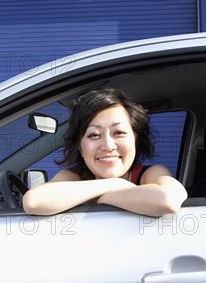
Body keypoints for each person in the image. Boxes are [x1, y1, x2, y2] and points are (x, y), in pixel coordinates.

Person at [22, 88, 187, 216]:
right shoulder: (74, 177)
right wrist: (115, 184)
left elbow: (168, 200)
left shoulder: (150, 174)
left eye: (119, 133)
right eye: (94, 135)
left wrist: (97, 196)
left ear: (135, 139)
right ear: (80, 146)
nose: (108, 146)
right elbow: (33, 202)